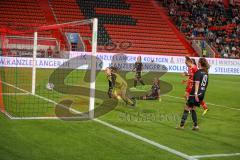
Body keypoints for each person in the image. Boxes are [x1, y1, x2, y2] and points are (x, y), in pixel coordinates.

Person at [178, 57, 210, 130]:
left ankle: (181, 126)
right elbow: (203, 83)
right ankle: (195, 126)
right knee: (193, 109)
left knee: (186, 108)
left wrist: (195, 93)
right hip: (202, 94)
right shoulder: (206, 73)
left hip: (195, 94)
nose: (197, 63)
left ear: (200, 63)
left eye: (198, 62)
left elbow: (197, 83)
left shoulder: (198, 72)